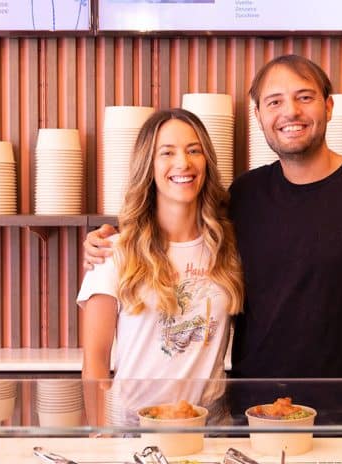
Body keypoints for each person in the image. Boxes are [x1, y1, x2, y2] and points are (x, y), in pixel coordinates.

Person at [83, 55, 342, 460]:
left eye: (304, 97)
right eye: (274, 101)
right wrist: (112, 238)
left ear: (329, 106)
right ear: (259, 115)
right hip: (249, 428)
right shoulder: (244, 197)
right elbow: (175, 212)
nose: (290, 111)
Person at [77, 108, 243, 426]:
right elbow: (95, 362)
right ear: (148, 166)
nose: (183, 163)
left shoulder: (229, 249)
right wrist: (99, 438)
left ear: (207, 161)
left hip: (210, 429)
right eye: (167, 152)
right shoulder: (113, 252)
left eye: (194, 150)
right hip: (133, 430)